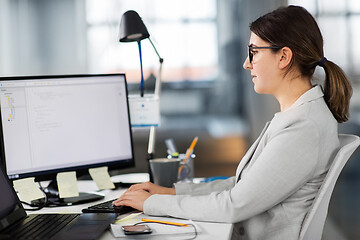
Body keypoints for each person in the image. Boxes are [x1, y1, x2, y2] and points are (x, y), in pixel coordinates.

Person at [113, 5, 352, 240]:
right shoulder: (299, 116)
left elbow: (233, 205)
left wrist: (153, 203)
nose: (246, 64)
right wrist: (171, 192)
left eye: (254, 52)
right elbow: (241, 186)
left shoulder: (303, 128)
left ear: (283, 57)